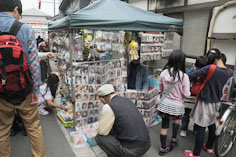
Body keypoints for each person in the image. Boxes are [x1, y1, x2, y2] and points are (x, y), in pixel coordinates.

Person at [0, 1, 45, 156]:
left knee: (2, 131)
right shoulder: (25, 29)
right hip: (24, 90)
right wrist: (36, 90)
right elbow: (33, 64)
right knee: (33, 127)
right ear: (15, 9)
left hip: (1, 92)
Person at [184, 48, 231, 157]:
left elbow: (190, 76)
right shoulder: (229, 71)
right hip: (216, 102)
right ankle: (209, 147)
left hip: (205, 101)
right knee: (211, 124)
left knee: (201, 127)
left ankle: (195, 154)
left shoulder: (211, 68)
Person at [95, 84, 151, 157]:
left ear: (102, 99)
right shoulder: (127, 100)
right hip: (147, 144)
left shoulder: (108, 106)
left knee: (99, 137)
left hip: (132, 151)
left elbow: (102, 132)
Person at [157, 50, 191, 155]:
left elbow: (161, 89)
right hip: (177, 106)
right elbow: (186, 94)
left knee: (164, 126)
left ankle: (163, 148)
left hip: (164, 105)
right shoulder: (184, 76)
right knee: (177, 121)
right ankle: (174, 139)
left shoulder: (163, 73)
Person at [180, 56, 206, 137]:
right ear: (195, 65)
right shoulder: (191, 71)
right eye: (199, 68)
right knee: (186, 114)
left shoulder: (205, 72)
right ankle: (184, 129)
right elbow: (185, 80)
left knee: (197, 114)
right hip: (190, 95)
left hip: (200, 96)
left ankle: (195, 129)